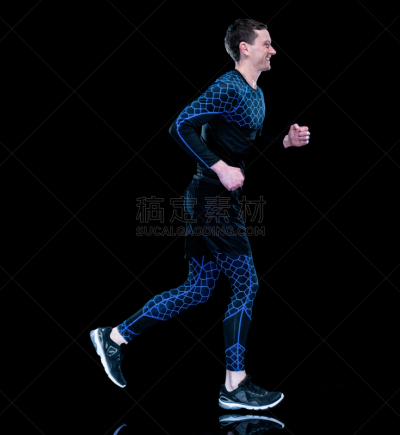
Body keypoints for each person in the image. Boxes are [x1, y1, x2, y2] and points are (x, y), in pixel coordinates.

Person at [90, 18, 310, 411]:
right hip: (210, 200)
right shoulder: (228, 87)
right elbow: (180, 127)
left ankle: (114, 337)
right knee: (247, 285)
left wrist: (284, 143)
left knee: (199, 289)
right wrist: (219, 168)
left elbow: (243, 153)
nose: (273, 50)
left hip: (213, 200)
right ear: (245, 48)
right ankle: (234, 385)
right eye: (266, 43)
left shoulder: (256, 95)